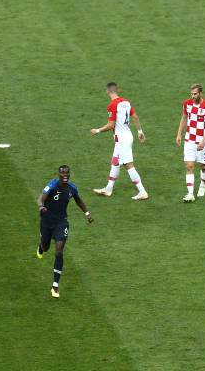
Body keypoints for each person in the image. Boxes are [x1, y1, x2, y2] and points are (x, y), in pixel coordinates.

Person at [36, 165, 93, 298]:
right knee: (45, 247)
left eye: (67, 173)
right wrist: (41, 207)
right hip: (47, 221)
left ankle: (55, 285)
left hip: (61, 222)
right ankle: (41, 245)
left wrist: (87, 213)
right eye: (63, 173)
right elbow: (41, 198)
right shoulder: (52, 185)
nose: (65, 175)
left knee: (59, 251)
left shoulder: (71, 188)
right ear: (59, 174)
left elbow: (78, 199)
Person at [91, 82, 148, 200]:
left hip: (122, 139)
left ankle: (142, 191)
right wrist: (140, 131)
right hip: (127, 136)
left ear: (107, 91)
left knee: (128, 165)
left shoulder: (112, 105)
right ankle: (108, 189)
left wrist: (98, 130)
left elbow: (111, 125)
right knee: (115, 161)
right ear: (118, 90)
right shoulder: (126, 102)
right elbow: (135, 116)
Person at [176, 84, 205, 202]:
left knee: (203, 167)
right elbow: (184, 118)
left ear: (200, 93)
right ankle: (190, 194)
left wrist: (203, 141)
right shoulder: (186, 104)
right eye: (191, 94)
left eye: (195, 94)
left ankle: (202, 185)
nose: (192, 96)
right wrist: (179, 134)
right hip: (189, 140)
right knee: (189, 166)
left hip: (202, 141)